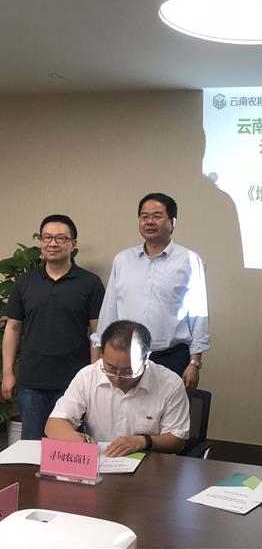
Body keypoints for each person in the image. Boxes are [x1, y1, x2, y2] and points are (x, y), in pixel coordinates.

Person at [1, 215, 104, 440]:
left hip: (74, 382)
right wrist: (8, 373)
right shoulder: (25, 282)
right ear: (41, 242)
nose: (53, 243)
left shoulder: (90, 283)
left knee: (70, 447)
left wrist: (94, 375)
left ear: (73, 243)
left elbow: (97, 333)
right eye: (47, 237)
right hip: (32, 382)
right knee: (31, 445)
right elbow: (13, 328)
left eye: (60, 238)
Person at [94, 192, 210, 388]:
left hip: (171, 356)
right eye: (144, 216)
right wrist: (100, 354)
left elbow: (198, 315)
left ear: (173, 222)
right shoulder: (123, 260)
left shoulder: (189, 260)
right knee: (124, 405)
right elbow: (110, 309)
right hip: (125, 356)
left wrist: (195, 362)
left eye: (156, 216)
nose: (149, 222)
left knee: (167, 407)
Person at [46, 320, 189, 456]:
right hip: (101, 460)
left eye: (128, 371)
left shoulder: (170, 384)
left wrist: (143, 441)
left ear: (146, 359)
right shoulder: (88, 376)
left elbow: (177, 441)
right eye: (110, 368)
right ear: (102, 355)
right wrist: (79, 441)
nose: (117, 378)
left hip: (151, 462)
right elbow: (54, 424)